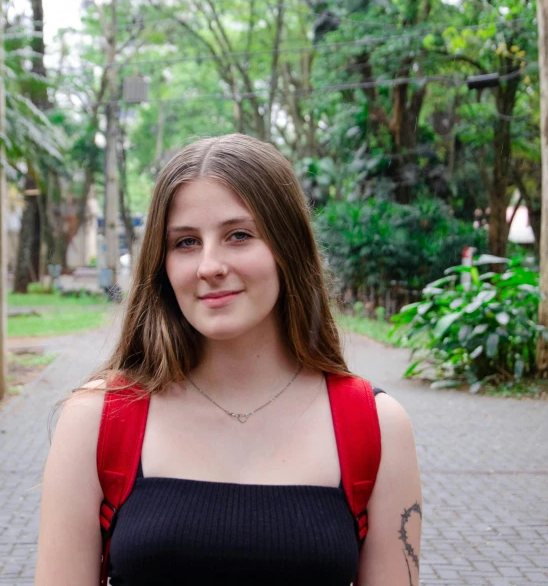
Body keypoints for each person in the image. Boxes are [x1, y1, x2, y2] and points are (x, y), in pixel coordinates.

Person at [34, 133, 422, 586]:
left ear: (287, 248)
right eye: (185, 242)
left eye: (239, 235)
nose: (209, 265)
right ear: (162, 263)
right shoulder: (98, 420)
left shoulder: (374, 427)